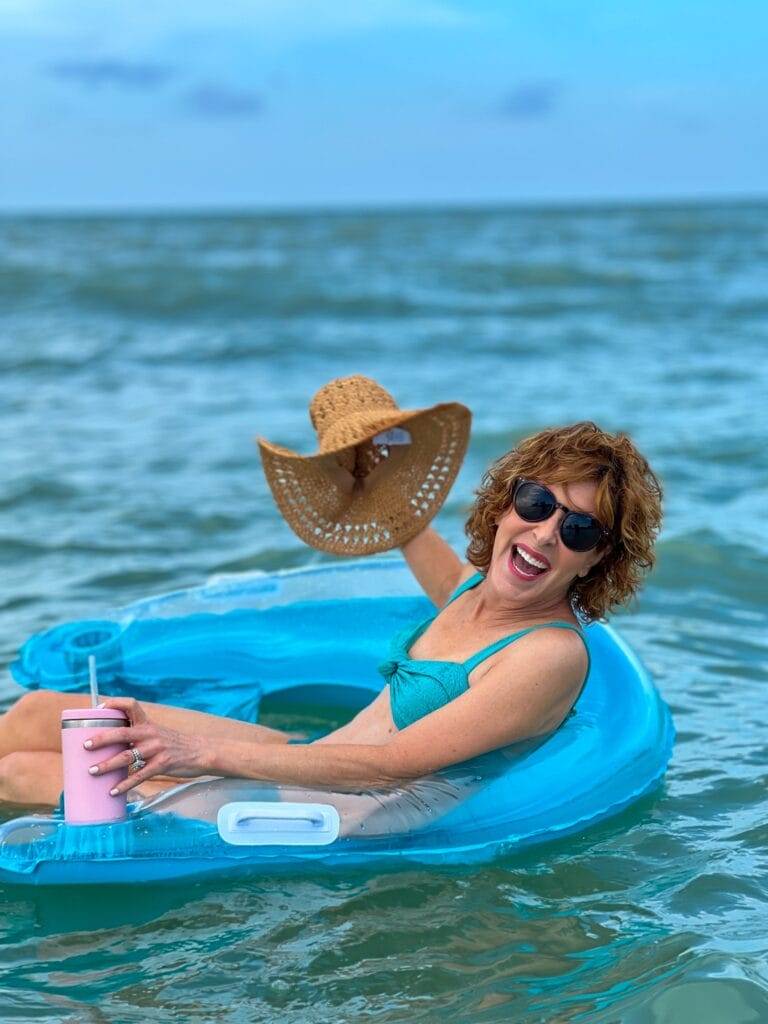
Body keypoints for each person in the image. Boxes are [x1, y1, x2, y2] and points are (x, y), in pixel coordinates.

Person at [0, 377, 662, 808]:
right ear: (507, 501)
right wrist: (369, 455)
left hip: (340, 809)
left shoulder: (549, 655)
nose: (545, 535)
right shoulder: (470, 594)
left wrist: (200, 754)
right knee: (39, 714)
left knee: (22, 776)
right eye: (536, 501)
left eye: (577, 528)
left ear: (598, 559)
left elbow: (394, 764)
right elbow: (403, 521)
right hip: (310, 763)